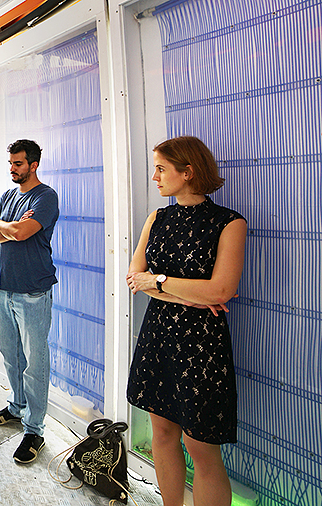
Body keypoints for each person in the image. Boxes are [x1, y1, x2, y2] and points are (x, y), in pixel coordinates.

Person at [126, 136, 246, 506]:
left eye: (161, 168)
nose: (154, 177)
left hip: (201, 345)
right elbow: (135, 277)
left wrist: (159, 281)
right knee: (161, 431)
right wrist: (187, 295)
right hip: (159, 334)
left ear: (187, 171)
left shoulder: (229, 223)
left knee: (201, 446)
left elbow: (221, 290)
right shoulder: (157, 218)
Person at [0, 139, 58, 465]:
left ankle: (35, 429)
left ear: (33, 165)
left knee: (35, 363)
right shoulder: (9, 195)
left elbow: (25, 233)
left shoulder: (46, 196)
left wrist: (8, 228)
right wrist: (4, 226)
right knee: (10, 356)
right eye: (10, 163)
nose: (12, 169)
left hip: (32, 293)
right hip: (4, 289)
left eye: (18, 164)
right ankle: (16, 407)